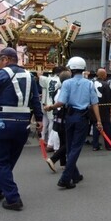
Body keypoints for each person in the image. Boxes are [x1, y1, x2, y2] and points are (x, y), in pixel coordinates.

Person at [0, 47, 43, 211]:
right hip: (24, 123)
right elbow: (35, 100)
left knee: (0, 159)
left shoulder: (2, 74)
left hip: (3, 121)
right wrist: (39, 119)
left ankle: (13, 197)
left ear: (5, 59)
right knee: (9, 160)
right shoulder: (30, 76)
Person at [44, 56, 102, 189]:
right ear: (83, 69)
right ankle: (69, 177)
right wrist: (98, 121)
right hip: (82, 118)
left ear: (70, 68)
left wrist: (50, 107)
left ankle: (71, 176)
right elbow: (95, 103)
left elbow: (61, 102)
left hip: (69, 117)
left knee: (70, 147)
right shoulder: (88, 83)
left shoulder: (67, 83)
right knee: (75, 148)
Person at [45, 69, 72, 173]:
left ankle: (64, 163)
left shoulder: (57, 90)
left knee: (63, 141)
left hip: (58, 118)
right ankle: (53, 159)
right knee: (69, 142)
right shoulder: (67, 91)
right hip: (65, 117)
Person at [39, 66, 62, 151]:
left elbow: (40, 77)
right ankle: (49, 141)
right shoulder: (60, 81)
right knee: (52, 123)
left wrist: (40, 73)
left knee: (45, 121)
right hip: (53, 104)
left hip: (45, 102)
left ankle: (42, 138)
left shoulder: (47, 79)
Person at [91, 68, 111, 151]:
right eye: (105, 74)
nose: (106, 75)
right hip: (104, 109)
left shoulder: (91, 83)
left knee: (96, 126)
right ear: (102, 75)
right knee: (107, 126)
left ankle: (95, 145)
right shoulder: (105, 84)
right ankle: (109, 145)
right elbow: (109, 97)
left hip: (93, 108)